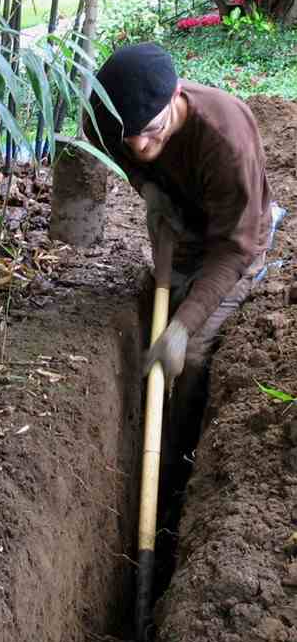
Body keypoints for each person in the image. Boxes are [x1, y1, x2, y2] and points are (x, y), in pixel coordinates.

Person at [85, 42, 274, 463]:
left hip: (235, 237)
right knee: (169, 305)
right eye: (127, 135)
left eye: (150, 131)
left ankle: (180, 463)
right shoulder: (108, 122)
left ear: (177, 96)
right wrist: (149, 189)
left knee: (189, 359)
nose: (138, 146)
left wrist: (181, 327)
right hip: (183, 220)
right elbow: (114, 141)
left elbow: (232, 249)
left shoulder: (226, 141)